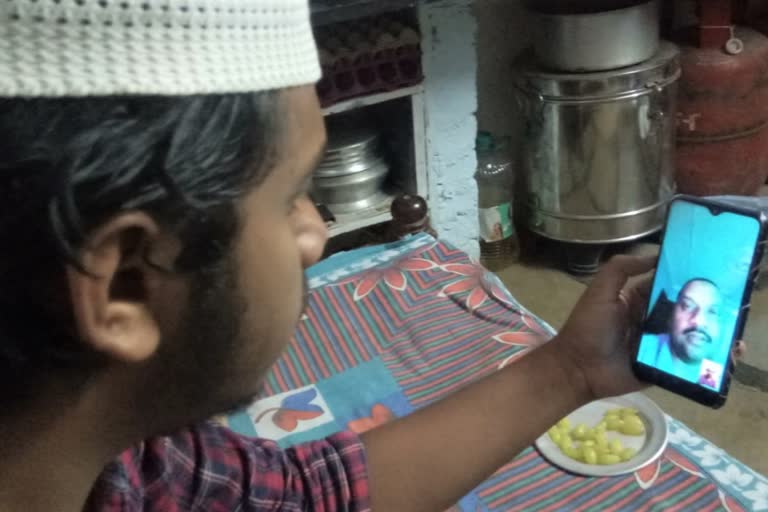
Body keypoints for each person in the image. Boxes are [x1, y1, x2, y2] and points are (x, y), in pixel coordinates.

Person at [0, 2, 727, 511]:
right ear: (125, 283)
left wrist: (571, 369)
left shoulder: (132, 466)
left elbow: (306, 499)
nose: (315, 235)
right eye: (290, 196)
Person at [637, 278, 723, 384]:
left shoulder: (717, 375)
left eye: (713, 312)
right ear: (671, 316)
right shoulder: (640, 347)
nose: (699, 321)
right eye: (687, 306)